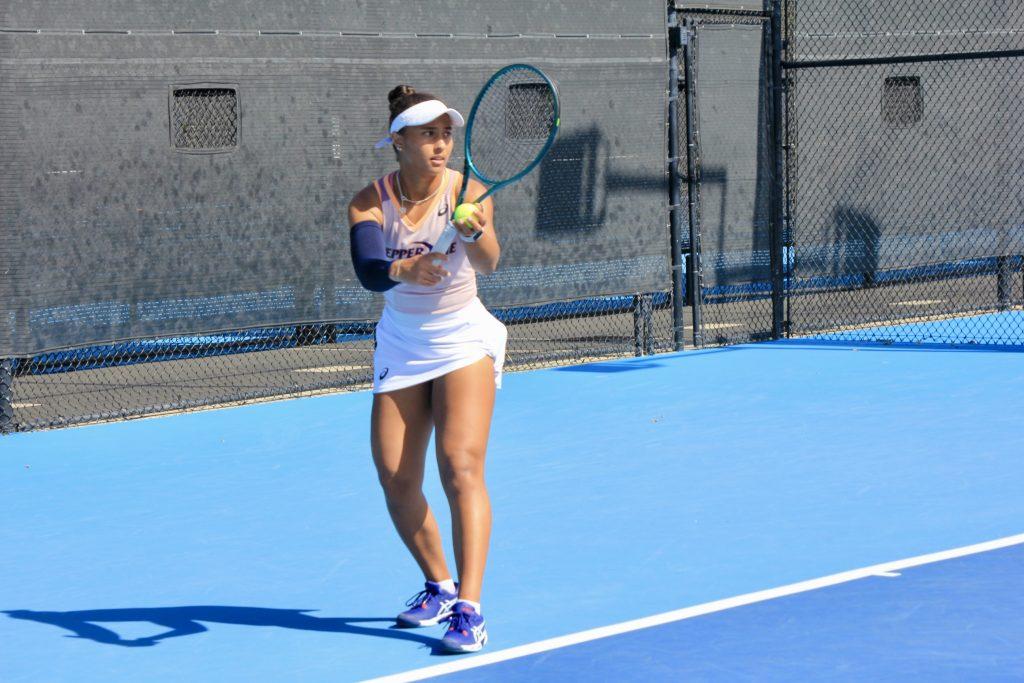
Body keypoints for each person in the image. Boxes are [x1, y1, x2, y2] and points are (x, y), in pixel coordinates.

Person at [347, 85, 507, 653]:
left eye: (446, 133)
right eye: (427, 134)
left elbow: (489, 263)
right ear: (398, 141)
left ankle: (470, 609)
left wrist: (474, 230)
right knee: (395, 476)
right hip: (401, 343)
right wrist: (406, 271)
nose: (441, 144)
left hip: (463, 335)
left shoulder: (469, 190)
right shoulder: (370, 200)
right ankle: (439, 585)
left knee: (459, 465)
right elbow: (369, 268)